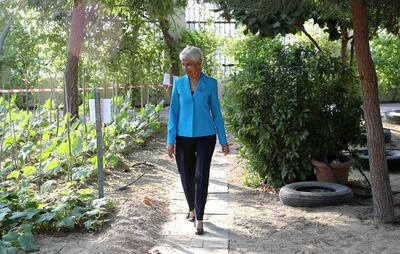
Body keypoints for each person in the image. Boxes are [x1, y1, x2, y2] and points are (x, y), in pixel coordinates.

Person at [167, 45, 230, 235]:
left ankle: (200, 217)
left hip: (206, 137)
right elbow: (174, 112)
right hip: (183, 137)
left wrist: (223, 139)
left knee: (201, 175)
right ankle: (192, 209)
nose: (186, 68)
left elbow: (217, 113)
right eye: (184, 64)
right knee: (186, 175)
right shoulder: (178, 84)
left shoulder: (210, 83)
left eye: (190, 64)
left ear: (199, 63)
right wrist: (170, 140)